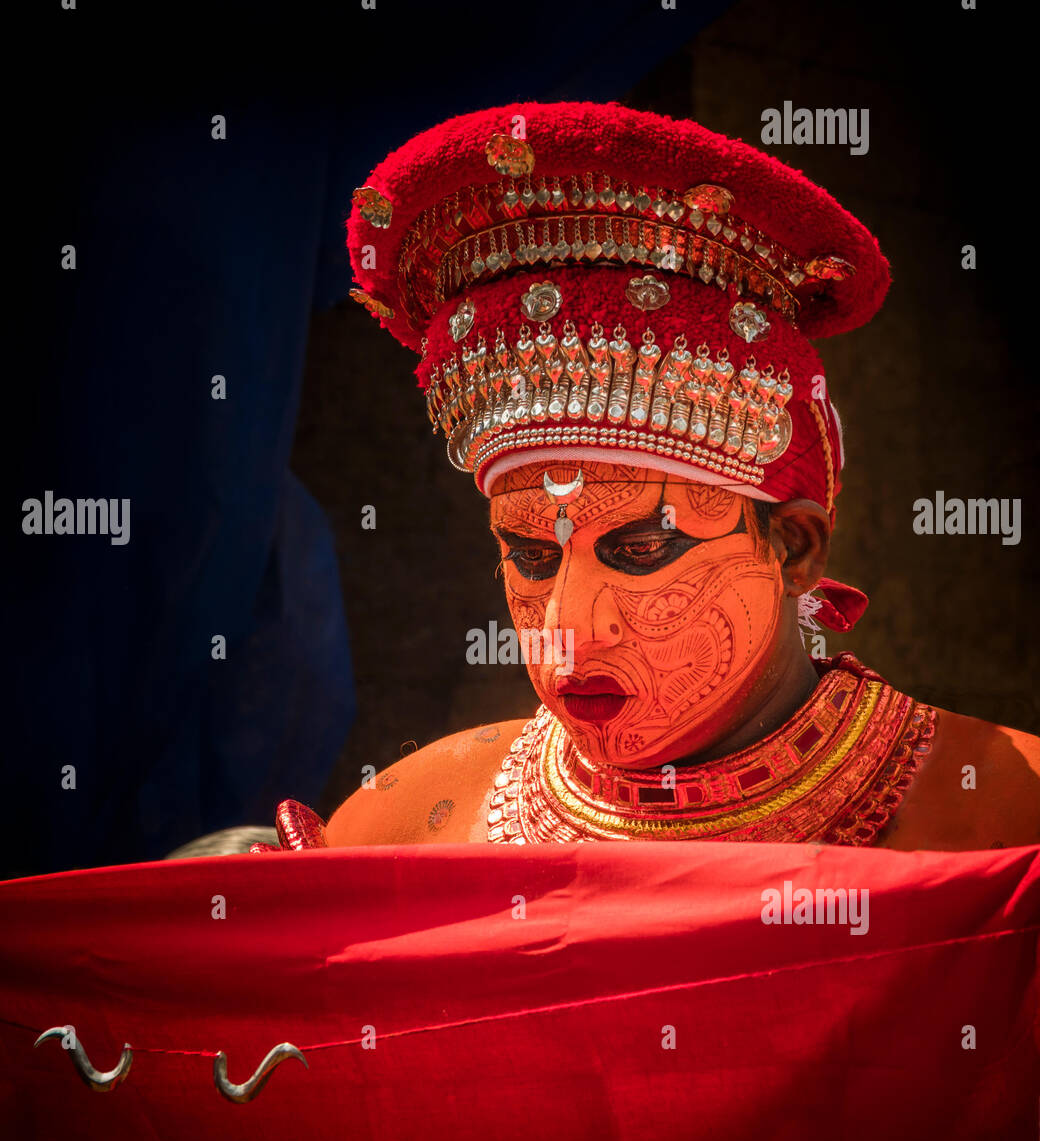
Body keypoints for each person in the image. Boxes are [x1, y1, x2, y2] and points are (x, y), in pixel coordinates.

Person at [265, 101, 1040, 854]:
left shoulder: (999, 820)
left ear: (795, 549)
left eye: (639, 549)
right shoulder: (411, 828)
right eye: (531, 556)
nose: (571, 630)